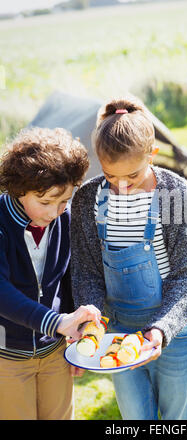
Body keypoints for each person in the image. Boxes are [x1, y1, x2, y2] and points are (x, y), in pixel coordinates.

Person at [70, 96, 187, 420]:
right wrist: (92, 321)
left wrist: (159, 330)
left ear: (152, 154)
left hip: (174, 331)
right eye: (109, 175)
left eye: (131, 176)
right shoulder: (88, 198)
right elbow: (86, 271)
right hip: (118, 333)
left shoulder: (176, 194)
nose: (120, 186)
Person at [0, 127, 102, 420]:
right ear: (18, 189)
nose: (54, 212)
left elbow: (68, 279)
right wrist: (57, 321)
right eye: (44, 202)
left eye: (64, 201)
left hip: (56, 353)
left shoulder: (64, 220)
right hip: (7, 357)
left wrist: (79, 332)